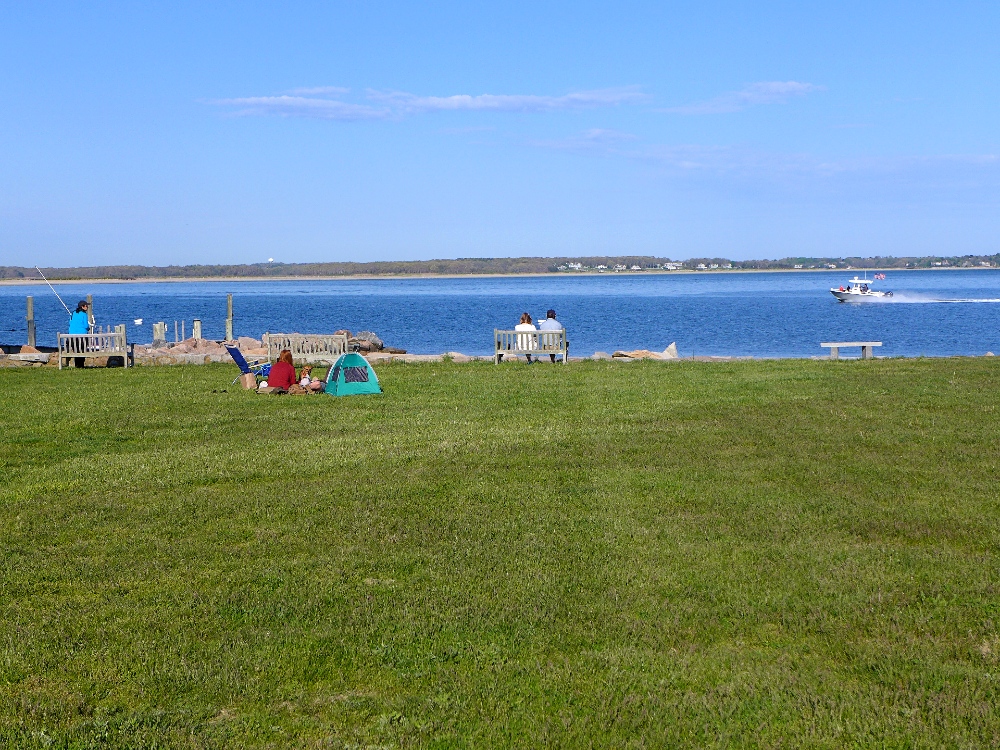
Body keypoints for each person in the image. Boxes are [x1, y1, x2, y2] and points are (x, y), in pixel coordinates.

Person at [68, 300, 91, 368]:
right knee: (82, 350)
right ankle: (81, 365)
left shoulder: (73, 313)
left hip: (72, 336)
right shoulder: (84, 314)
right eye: (86, 306)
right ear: (82, 307)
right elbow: (86, 326)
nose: (87, 307)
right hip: (82, 336)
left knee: (76, 350)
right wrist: (88, 329)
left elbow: (70, 323)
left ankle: (77, 364)